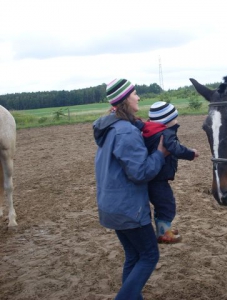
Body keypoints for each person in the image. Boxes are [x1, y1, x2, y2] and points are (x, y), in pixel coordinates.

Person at [93, 78, 169, 300]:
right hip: (129, 210)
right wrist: (160, 155)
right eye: (135, 93)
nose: (138, 97)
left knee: (134, 256)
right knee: (149, 256)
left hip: (111, 207)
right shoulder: (125, 132)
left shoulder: (111, 128)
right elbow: (140, 172)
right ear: (125, 99)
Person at [142, 101, 199, 243]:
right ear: (167, 121)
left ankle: (163, 228)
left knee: (161, 204)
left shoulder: (151, 131)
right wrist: (190, 153)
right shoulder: (165, 133)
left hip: (153, 177)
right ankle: (163, 233)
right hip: (159, 179)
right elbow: (175, 148)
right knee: (167, 204)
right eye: (175, 118)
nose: (177, 121)